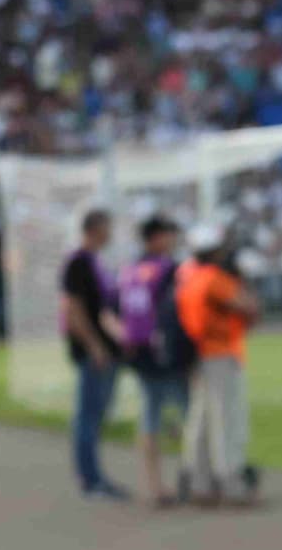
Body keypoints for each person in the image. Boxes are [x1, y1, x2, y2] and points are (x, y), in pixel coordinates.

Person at [177, 221, 261, 507]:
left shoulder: (189, 276)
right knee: (225, 420)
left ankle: (199, 483)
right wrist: (242, 282)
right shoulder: (215, 278)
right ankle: (231, 484)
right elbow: (249, 307)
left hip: (197, 354)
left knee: (200, 421)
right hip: (220, 353)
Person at [117, 216, 194, 508]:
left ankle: (154, 486)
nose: (172, 239)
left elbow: (112, 311)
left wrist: (125, 338)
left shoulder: (129, 270)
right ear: (157, 237)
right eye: (169, 234)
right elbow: (179, 310)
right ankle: (193, 480)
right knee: (189, 415)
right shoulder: (169, 269)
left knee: (150, 415)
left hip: (139, 353)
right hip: (167, 351)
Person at [59, 208, 128, 500]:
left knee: (96, 416)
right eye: (106, 226)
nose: (110, 233)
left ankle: (95, 476)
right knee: (88, 417)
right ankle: (91, 480)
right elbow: (73, 310)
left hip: (106, 351)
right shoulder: (78, 263)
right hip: (94, 353)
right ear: (95, 229)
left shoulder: (95, 262)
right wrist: (94, 346)